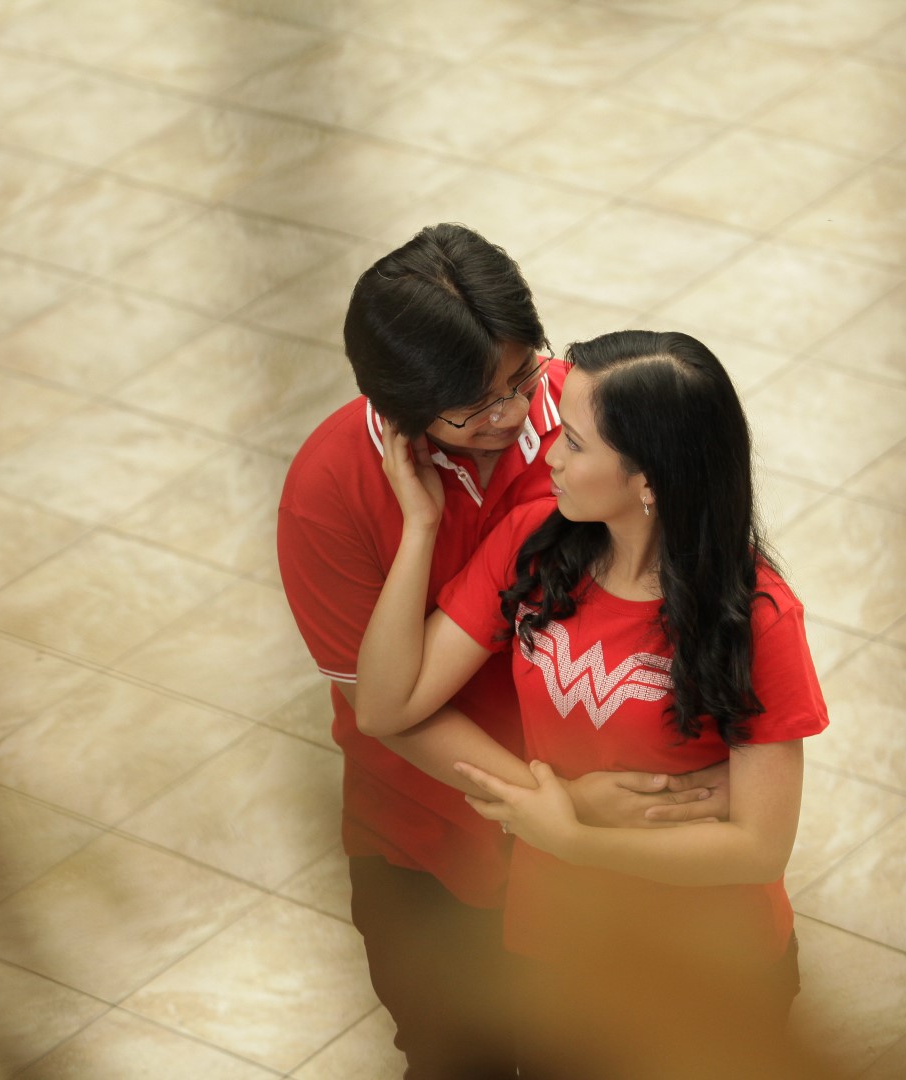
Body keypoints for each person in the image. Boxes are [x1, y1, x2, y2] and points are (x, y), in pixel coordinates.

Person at [277, 228, 728, 1080]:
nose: (517, 415)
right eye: (475, 407)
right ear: (398, 400)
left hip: (603, 847)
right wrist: (555, 803)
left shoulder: (586, 431)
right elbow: (386, 710)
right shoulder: (328, 489)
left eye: (522, 377)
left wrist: (588, 813)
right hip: (429, 843)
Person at [355, 330, 828, 1074]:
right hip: (558, 950)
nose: (548, 456)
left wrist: (574, 839)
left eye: (574, 443)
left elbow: (760, 846)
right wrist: (421, 528)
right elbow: (383, 706)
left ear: (650, 480)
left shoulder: (756, 619)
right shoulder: (536, 545)